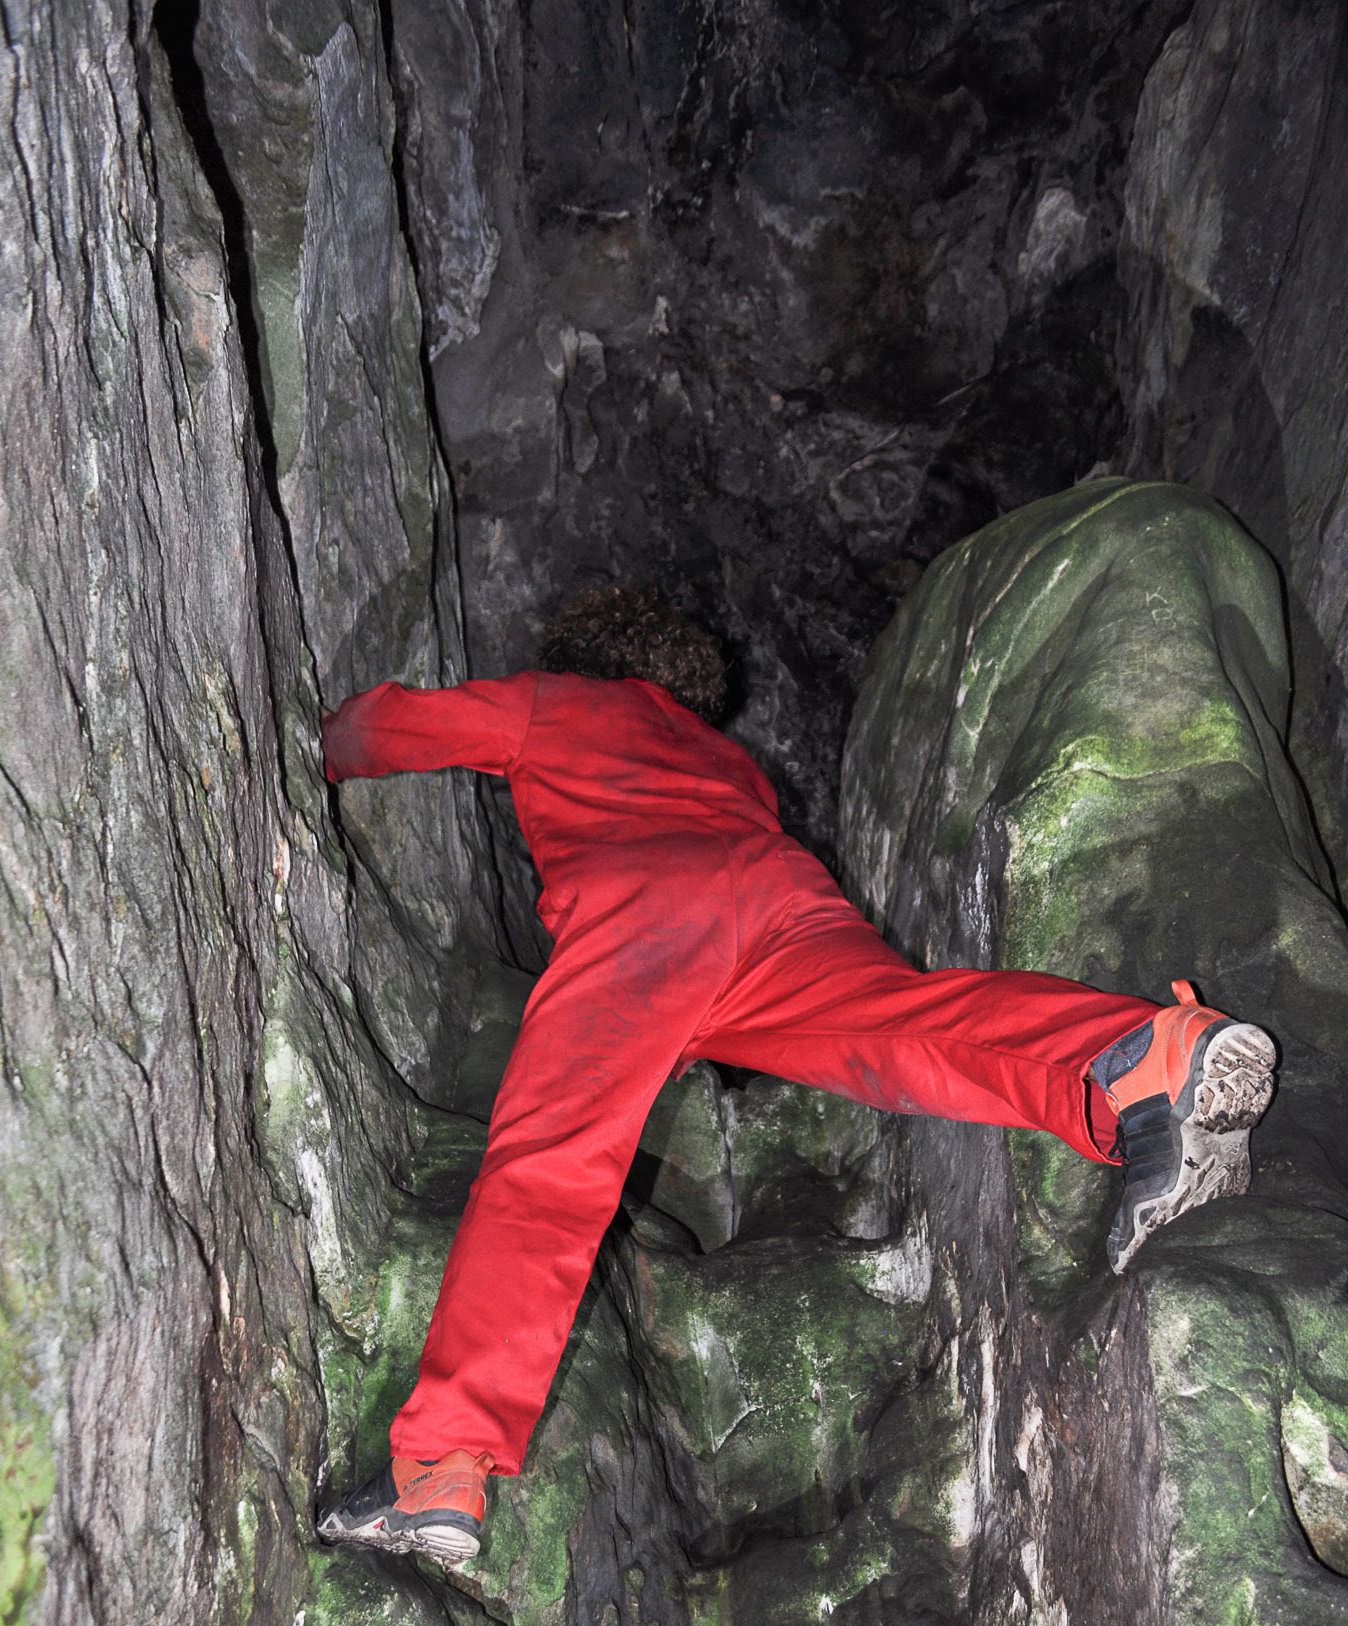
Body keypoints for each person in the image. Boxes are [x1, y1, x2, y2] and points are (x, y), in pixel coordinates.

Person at [314, 588, 1276, 1565]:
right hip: (779, 899)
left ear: (587, 652)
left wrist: (319, 738)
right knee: (907, 1032)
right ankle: (1136, 1060)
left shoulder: (559, 701)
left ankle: (441, 1460)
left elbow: (399, 725)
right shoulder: (724, 758)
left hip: (644, 909)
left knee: (547, 1163)